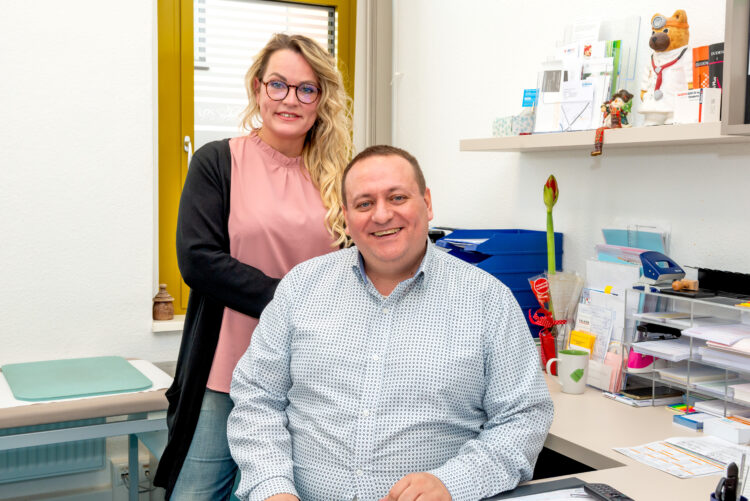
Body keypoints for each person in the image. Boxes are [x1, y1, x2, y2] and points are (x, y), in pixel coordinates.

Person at [227, 145, 554, 501]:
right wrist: (272, 489)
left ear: (427, 203)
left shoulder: (488, 300)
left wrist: (454, 483)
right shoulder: (301, 286)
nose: (382, 215)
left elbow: (524, 417)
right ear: (345, 217)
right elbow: (257, 398)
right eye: (364, 204)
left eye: (397, 197)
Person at [153, 33, 352, 500]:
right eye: (278, 84)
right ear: (258, 89)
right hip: (226, 370)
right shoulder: (218, 162)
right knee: (197, 492)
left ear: (321, 99)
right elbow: (199, 261)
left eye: (307, 89)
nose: (290, 99)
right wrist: (296, 301)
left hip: (310, 373)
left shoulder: (339, 175)